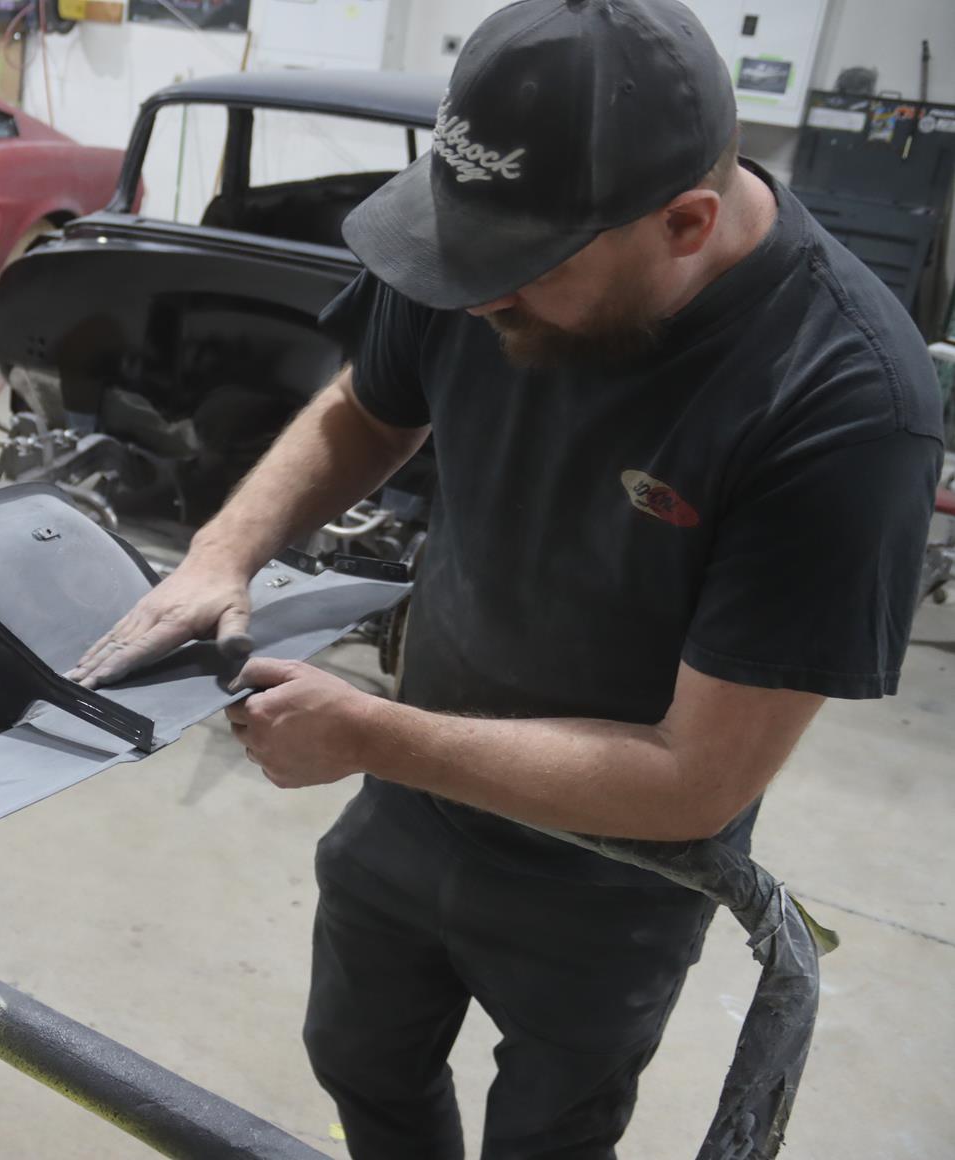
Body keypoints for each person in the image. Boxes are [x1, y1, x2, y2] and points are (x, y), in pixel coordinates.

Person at [68, 0, 943, 1156]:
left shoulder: (843, 402)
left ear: (685, 223)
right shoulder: (480, 251)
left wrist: (372, 733)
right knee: (359, 1057)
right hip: (418, 792)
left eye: (517, 273)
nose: (475, 298)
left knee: (549, 1134)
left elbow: (693, 778)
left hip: (615, 867)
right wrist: (225, 552)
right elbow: (369, 409)